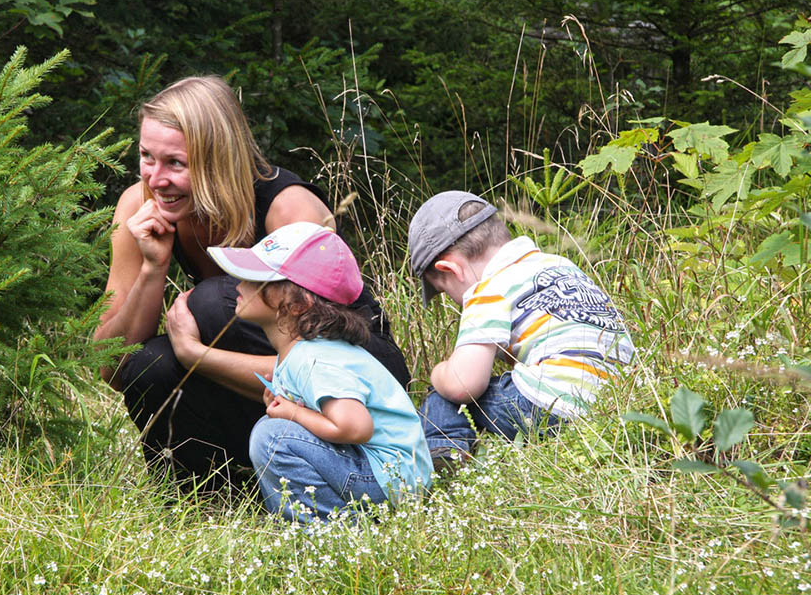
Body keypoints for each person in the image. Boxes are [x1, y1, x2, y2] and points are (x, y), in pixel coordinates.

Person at [93, 75, 409, 482]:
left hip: (358, 383)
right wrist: (153, 269)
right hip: (271, 384)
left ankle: (322, 474)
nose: (156, 179)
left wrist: (196, 356)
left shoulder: (288, 210)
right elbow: (111, 367)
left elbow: (334, 369)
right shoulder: (141, 205)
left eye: (176, 163)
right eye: (146, 157)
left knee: (211, 303)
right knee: (148, 366)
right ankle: (207, 490)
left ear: (218, 158)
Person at [204, 221, 432, 522]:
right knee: (274, 432)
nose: (238, 285)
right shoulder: (307, 353)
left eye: (253, 279)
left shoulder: (315, 358)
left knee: (272, 437)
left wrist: (293, 414)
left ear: (297, 303)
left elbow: (355, 427)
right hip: (385, 474)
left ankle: (329, 535)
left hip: (387, 477)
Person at [408, 191, 635, 459]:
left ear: (452, 270)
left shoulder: (487, 289)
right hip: (618, 397)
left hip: (553, 402)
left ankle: (446, 455)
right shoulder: (560, 266)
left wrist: (439, 372)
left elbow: (464, 384)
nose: (456, 301)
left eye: (446, 291)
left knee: (445, 395)